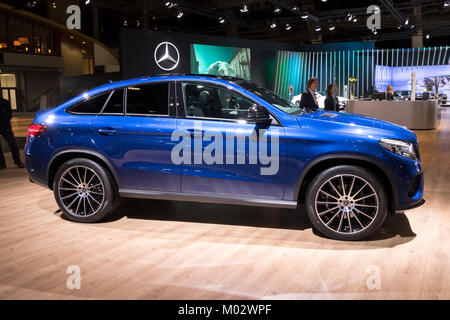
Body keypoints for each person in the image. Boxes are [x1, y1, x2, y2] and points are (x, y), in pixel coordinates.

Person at [0, 97, 24, 169]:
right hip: (5, 125)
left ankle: (17, 161)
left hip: (5, 126)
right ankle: (2, 164)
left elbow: (9, 114)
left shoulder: (5, 102)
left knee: (13, 143)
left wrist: (5, 120)